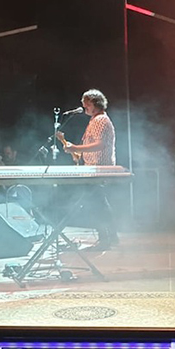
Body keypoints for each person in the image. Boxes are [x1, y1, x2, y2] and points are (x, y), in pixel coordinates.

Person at [60, 89, 118, 250]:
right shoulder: (96, 119)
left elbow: (100, 144)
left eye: (87, 103)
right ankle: (111, 237)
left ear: (95, 103)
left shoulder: (100, 120)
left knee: (98, 205)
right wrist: (78, 153)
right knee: (100, 204)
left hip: (99, 169)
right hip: (94, 168)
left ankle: (106, 239)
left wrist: (76, 148)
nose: (84, 105)